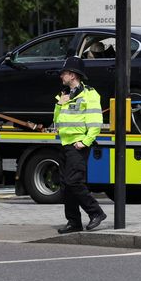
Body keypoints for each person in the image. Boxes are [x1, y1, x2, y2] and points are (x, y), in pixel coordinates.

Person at [54, 57, 107, 234]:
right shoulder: (64, 94)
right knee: (65, 185)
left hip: (78, 145)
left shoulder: (90, 94)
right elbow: (58, 119)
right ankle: (73, 222)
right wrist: (60, 104)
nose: (61, 75)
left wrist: (85, 142)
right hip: (65, 143)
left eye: (64, 73)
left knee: (74, 181)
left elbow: (95, 121)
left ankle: (96, 213)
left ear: (73, 75)